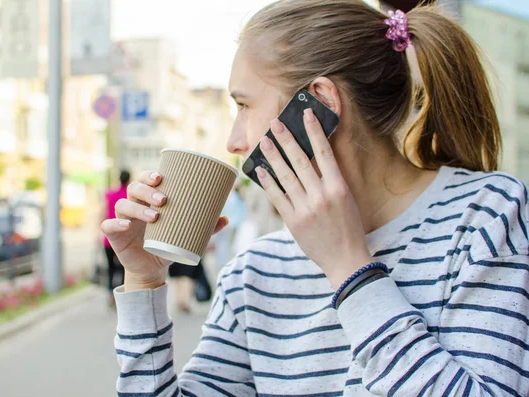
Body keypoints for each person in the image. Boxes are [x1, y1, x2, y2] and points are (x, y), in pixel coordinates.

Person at [101, 1, 529, 395]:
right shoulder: (254, 274)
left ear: (318, 104)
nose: (234, 141)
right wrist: (144, 281)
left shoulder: (489, 216)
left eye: (244, 106)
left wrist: (347, 266)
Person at [101, 169, 130, 305]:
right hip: (125, 239)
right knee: (126, 267)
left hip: (108, 238)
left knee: (110, 268)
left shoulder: (110, 194)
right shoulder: (129, 196)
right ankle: (122, 295)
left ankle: (109, 293)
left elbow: (102, 213)